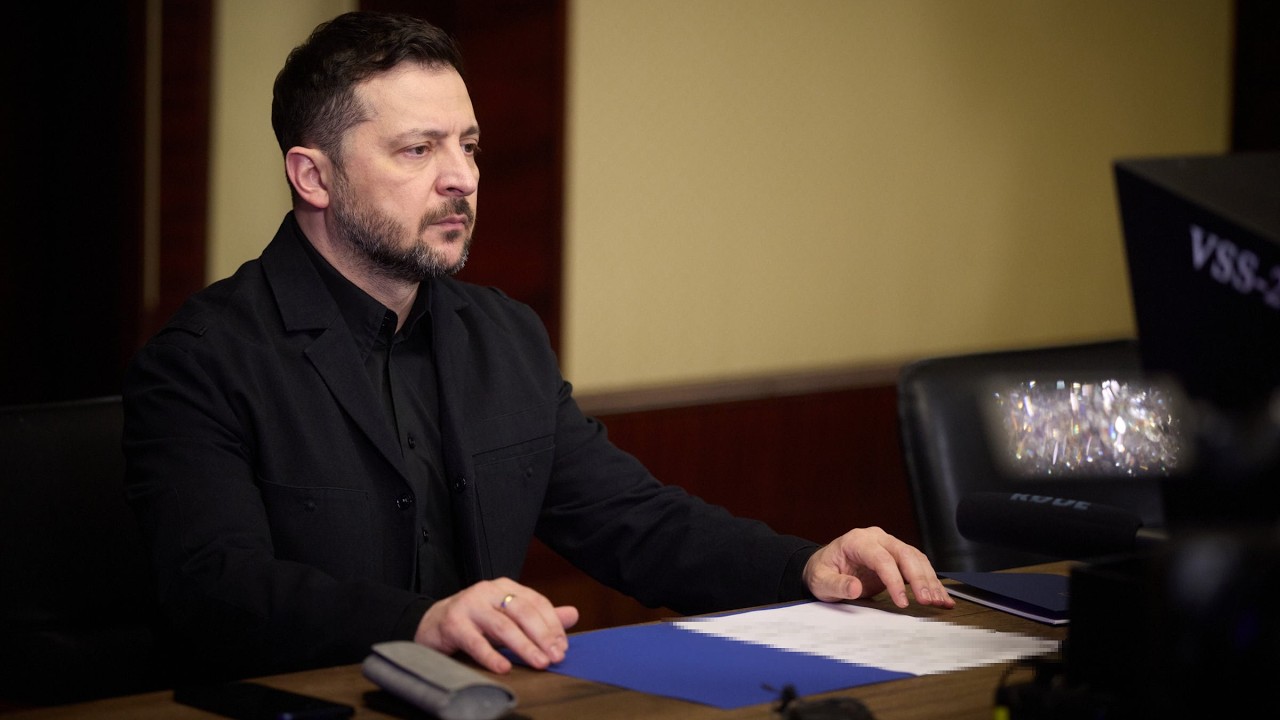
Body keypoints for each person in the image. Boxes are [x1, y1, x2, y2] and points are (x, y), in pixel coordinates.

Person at [122, 10, 954, 683]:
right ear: (314, 177)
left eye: (469, 145)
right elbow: (217, 593)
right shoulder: (202, 358)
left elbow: (633, 520)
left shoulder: (503, 335)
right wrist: (421, 622)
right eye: (418, 149)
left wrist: (802, 568)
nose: (462, 177)